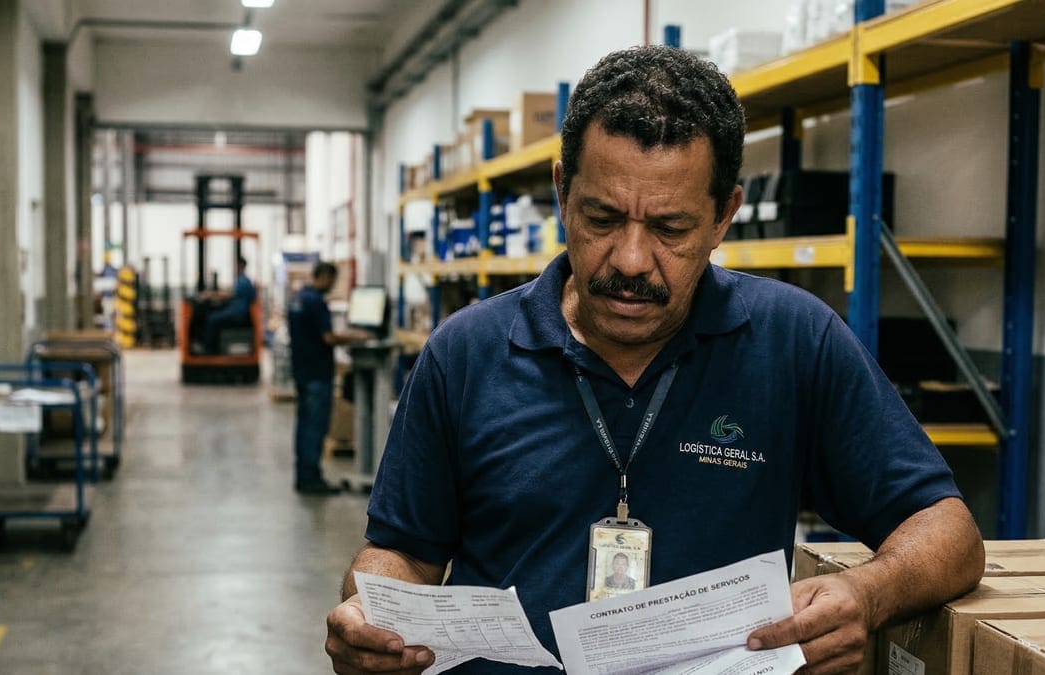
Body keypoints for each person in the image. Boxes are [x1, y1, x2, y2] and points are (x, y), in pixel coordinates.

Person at [325, 46, 984, 674]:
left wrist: (866, 595)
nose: (632, 260)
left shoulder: (793, 340)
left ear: (724, 214)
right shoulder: (466, 353)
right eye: (602, 217)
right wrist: (370, 611)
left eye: (670, 228)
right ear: (562, 192)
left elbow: (948, 532)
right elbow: (402, 552)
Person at [288, 262, 371, 495]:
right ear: (324, 277)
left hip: (302, 372)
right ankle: (311, 479)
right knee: (315, 426)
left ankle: (303, 474)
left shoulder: (298, 298)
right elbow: (328, 338)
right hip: (317, 374)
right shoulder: (316, 301)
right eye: (333, 281)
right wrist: (357, 336)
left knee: (304, 425)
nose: (333, 286)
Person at [201, 256, 257, 354]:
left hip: (238, 313)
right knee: (214, 316)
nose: (233, 268)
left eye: (235, 265)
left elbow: (230, 294)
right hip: (236, 311)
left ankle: (210, 350)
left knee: (212, 319)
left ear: (240, 265)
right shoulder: (241, 280)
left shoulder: (244, 281)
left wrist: (210, 295)